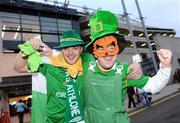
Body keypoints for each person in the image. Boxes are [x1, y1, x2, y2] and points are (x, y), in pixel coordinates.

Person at [13, 30, 142, 123]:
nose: (70, 53)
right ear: (61, 50)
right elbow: (18, 68)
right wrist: (26, 49)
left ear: (81, 50)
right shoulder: (50, 66)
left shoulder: (87, 66)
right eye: (66, 49)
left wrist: (134, 65)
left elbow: (110, 63)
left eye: (75, 48)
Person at [83, 10, 172, 123]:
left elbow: (153, 86)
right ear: (94, 52)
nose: (107, 54)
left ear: (117, 49)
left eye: (111, 48)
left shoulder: (125, 70)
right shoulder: (84, 65)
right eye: (101, 48)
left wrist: (165, 67)